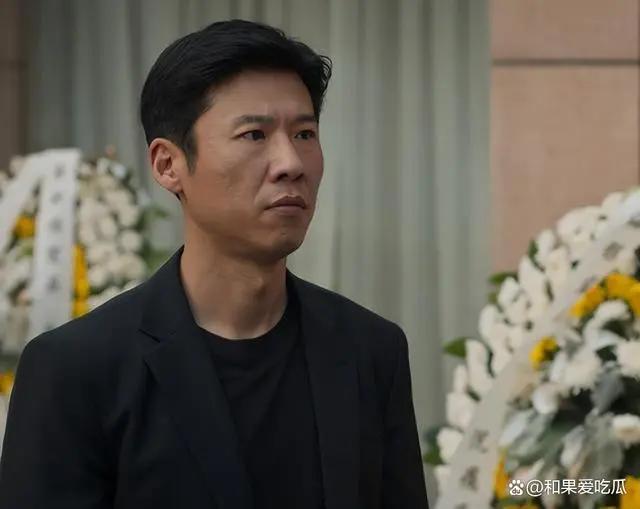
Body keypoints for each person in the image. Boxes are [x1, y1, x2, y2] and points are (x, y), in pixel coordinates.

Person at [0, 19, 429, 509]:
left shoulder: (370, 351)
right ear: (168, 165)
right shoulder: (76, 371)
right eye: (254, 135)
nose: (291, 163)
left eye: (305, 133)